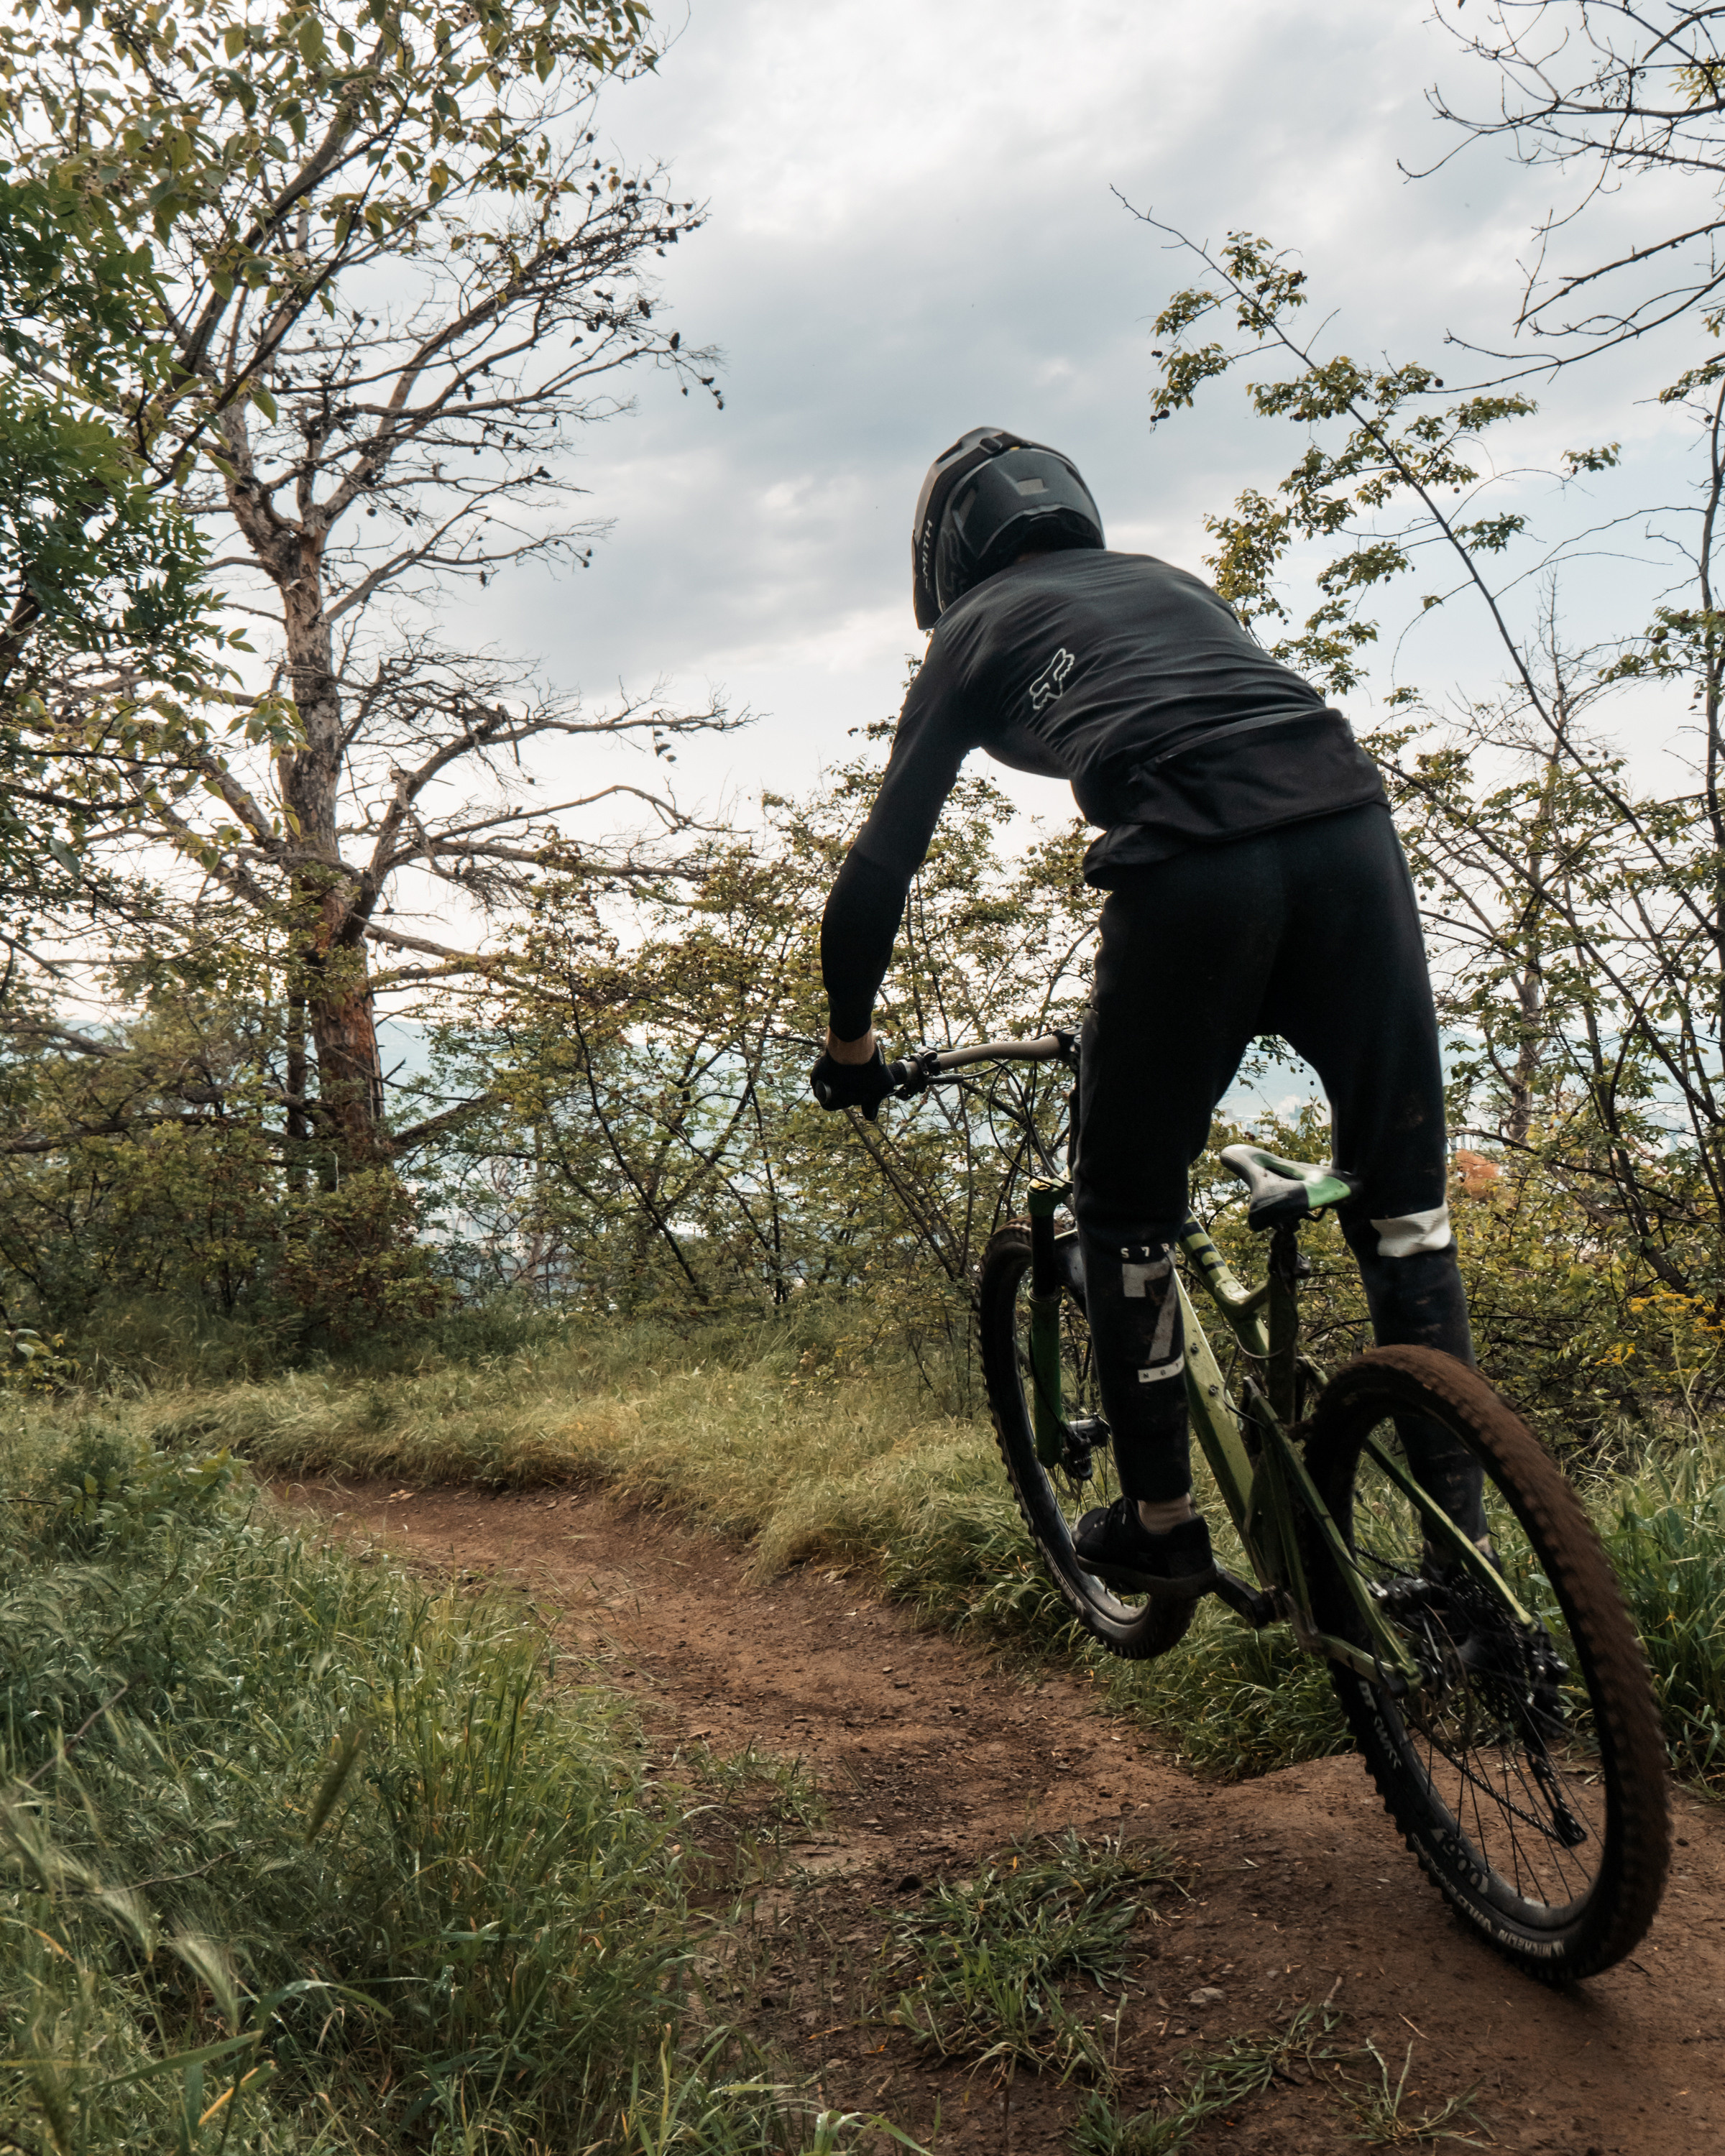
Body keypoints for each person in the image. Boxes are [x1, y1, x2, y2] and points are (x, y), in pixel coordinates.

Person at [809, 426, 1486, 1600]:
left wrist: (851, 1042)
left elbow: (882, 867)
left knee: (1124, 1211)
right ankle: (1471, 1591)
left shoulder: (973, 632)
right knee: (1406, 1209)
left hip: (1191, 870)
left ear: (945, 556)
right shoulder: (1173, 584)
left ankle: (1165, 1525)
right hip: (1351, 833)